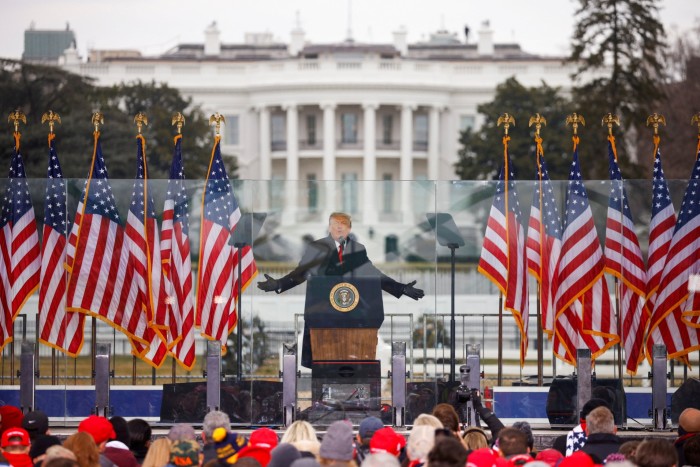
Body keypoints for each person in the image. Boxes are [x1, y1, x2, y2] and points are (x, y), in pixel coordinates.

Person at [258, 212, 424, 367]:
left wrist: (401, 288)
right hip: (323, 316)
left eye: (343, 224)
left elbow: (373, 274)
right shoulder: (317, 247)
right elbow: (301, 273)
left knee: (351, 365)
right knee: (323, 365)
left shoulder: (357, 249)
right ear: (329, 227)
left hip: (352, 317)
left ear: (349, 229)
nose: (339, 227)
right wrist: (279, 284)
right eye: (335, 224)